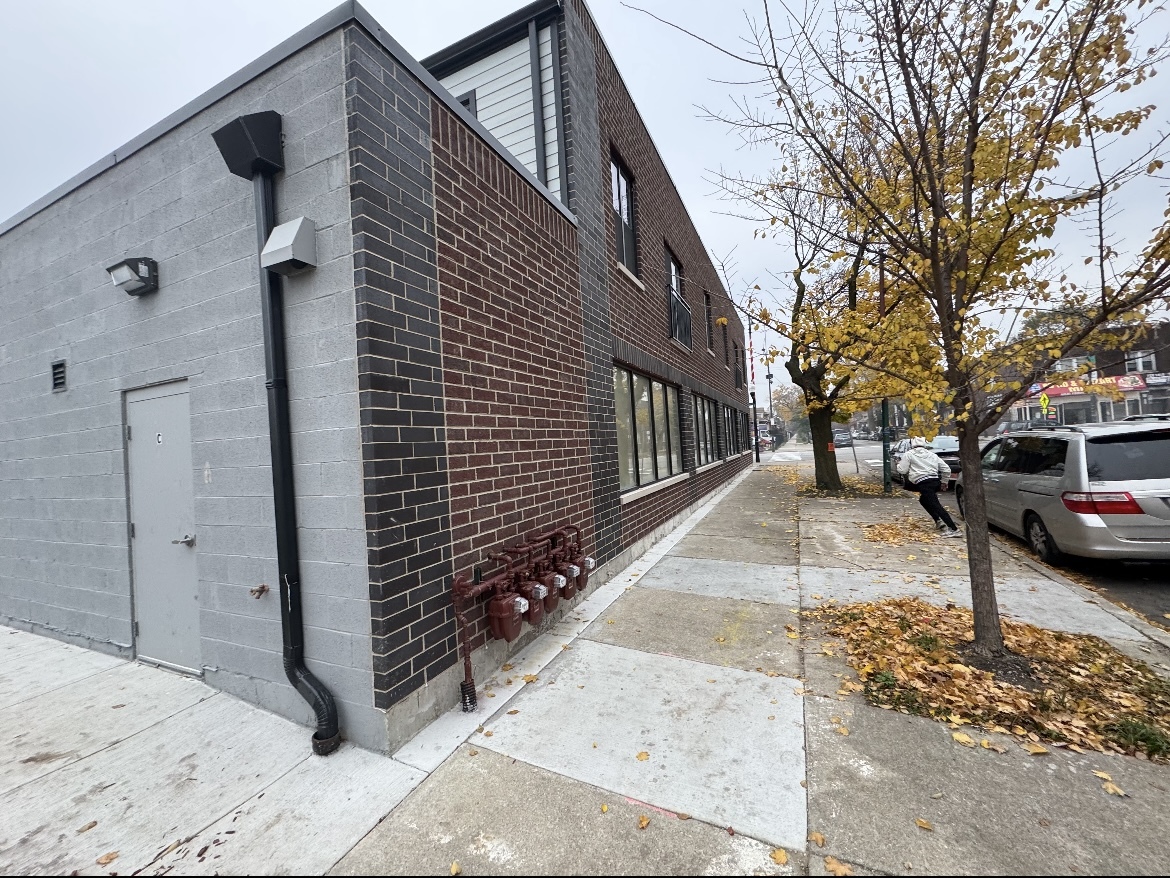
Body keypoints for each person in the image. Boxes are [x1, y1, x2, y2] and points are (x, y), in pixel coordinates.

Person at [897, 437, 962, 537]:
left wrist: (899, 464)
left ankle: (953, 528)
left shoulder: (909, 454)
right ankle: (938, 521)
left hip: (923, 483)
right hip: (935, 481)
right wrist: (944, 482)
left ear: (912, 444)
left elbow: (902, 470)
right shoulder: (932, 454)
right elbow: (946, 469)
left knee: (936, 505)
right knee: (923, 500)